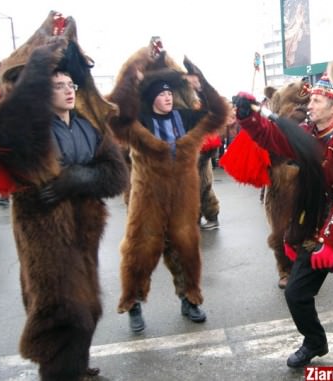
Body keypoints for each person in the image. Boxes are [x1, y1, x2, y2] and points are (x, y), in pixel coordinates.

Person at [0, 15, 128, 381]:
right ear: (39, 93)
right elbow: (11, 118)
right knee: (59, 310)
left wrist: (78, 179)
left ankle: (76, 367)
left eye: (70, 84)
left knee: (89, 307)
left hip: (85, 228)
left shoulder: (88, 126)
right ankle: (59, 374)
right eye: (58, 85)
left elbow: (116, 176)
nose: (69, 90)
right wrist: (37, 65)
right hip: (43, 229)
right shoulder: (27, 131)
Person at [233, 75, 333, 367]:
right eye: (310, 99)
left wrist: (331, 243)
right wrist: (248, 118)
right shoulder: (305, 133)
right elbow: (271, 138)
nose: (309, 104)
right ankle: (314, 341)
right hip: (314, 233)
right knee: (296, 294)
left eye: (316, 100)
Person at [108, 48, 228, 333]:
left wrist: (201, 84)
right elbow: (116, 117)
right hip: (147, 196)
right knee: (141, 248)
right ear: (151, 99)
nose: (168, 97)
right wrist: (131, 80)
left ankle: (190, 298)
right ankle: (133, 303)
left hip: (183, 198)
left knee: (186, 247)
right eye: (162, 95)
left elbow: (218, 113)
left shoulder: (185, 118)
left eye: (170, 94)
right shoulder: (140, 122)